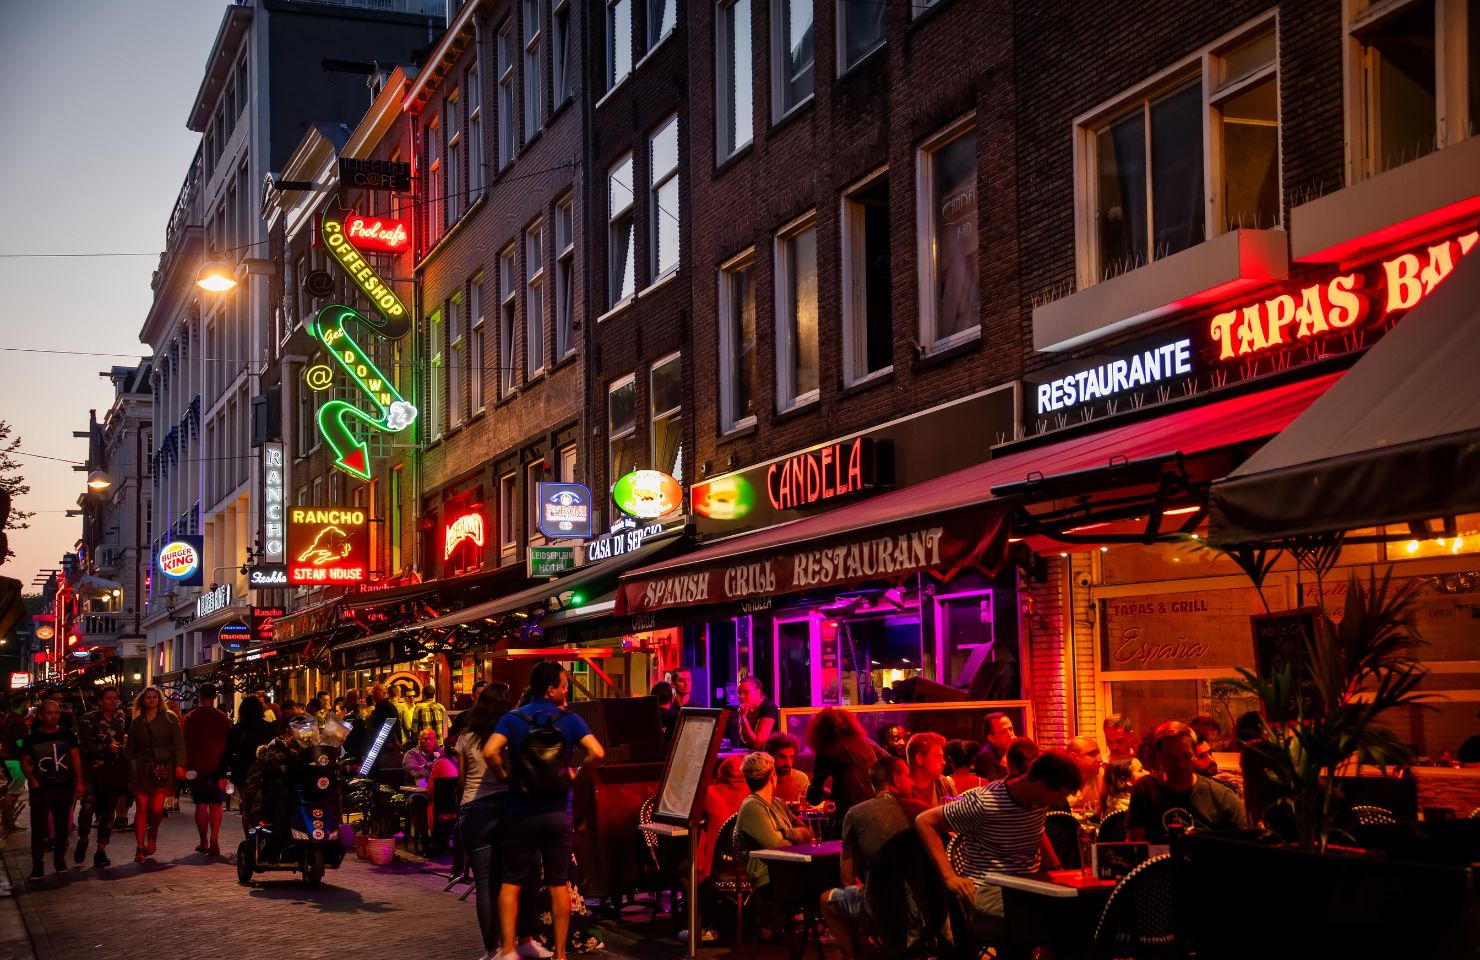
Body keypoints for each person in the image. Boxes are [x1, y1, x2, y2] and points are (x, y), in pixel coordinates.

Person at [484, 662, 605, 960]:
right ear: (551, 689)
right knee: (557, 883)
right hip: (557, 812)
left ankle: (510, 949)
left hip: (520, 811)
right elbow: (597, 752)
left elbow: (489, 752)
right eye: (564, 685)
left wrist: (503, 775)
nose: (567, 690)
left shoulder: (513, 719)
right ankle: (561, 953)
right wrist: (575, 774)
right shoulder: (570, 720)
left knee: (511, 882)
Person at [917, 751, 1083, 944]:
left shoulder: (1038, 800)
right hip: (992, 889)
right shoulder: (983, 803)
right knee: (1054, 919)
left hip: (1029, 884)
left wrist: (1055, 867)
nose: (1059, 801)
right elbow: (924, 821)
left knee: (1081, 909)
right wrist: (949, 877)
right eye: (1060, 794)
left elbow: (1035, 827)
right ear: (1040, 786)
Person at [820, 756, 927, 959]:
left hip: (881, 903)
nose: (912, 782)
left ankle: (857, 954)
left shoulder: (855, 814)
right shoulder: (923, 810)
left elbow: (846, 878)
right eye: (907, 776)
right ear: (896, 779)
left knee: (826, 900)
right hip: (926, 904)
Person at [454, 682, 529, 960]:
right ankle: (515, 941)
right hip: (505, 809)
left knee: (484, 883)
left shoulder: (466, 736)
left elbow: (462, 780)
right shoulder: (508, 735)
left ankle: (492, 949)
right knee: (508, 881)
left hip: (473, 810)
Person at [1128, 721, 1247, 843]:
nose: (1180, 764)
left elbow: (1246, 846)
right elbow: (1136, 845)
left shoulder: (1222, 797)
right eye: (1171, 758)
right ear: (1159, 758)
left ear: (1195, 755)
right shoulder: (1145, 789)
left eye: (1186, 756)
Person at [20, 700, 83, 880]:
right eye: (49, 713)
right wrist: (32, 780)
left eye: (56, 712)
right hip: (42, 787)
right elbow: (24, 762)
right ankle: (37, 866)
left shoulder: (67, 735)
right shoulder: (32, 738)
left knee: (62, 826)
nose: (54, 716)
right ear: (40, 715)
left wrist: (79, 781)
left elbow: (75, 759)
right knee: (39, 828)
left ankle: (60, 860)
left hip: (64, 785)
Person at [736, 751, 814, 889]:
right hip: (769, 880)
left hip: (788, 873)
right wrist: (796, 836)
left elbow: (808, 835)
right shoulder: (752, 806)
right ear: (773, 776)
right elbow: (778, 846)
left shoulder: (778, 803)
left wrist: (785, 833)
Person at [126, 686, 187, 862]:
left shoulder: (170, 718)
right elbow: (130, 746)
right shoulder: (137, 721)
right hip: (142, 765)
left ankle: (152, 836)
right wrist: (130, 766)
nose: (152, 700)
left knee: (156, 808)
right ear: (143, 701)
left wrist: (180, 765)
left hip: (163, 765)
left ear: (159, 699)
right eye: (148, 697)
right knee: (142, 807)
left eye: (154, 697)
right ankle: (139, 847)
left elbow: (179, 742)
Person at [76, 685, 129, 867]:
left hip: (111, 771)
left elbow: (121, 744)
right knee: (88, 805)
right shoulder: (88, 720)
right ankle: (83, 837)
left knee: (108, 812)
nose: (113, 701)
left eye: (115, 698)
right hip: (92, 769)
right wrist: (105, 748)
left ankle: (101, 850)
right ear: (100, 701)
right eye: (109, 698)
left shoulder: (120, 721)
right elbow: (84, 746)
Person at [806, 707, 885, 819]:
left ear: (819, 730)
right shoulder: (867, 742)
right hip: (877, 807)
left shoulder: (825, 751)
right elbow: (890, 762)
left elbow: (814, 798)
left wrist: (820, 793)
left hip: (849, 813)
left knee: (829, 834)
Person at [183, 682, 233, 856]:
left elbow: (186, 743)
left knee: (201, 804)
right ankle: (215, 839)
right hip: (218, 765)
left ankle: (203, 841)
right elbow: (228, 744)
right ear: (214, 697)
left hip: (197, 766)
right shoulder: (223, 718)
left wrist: (185, 766)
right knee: (216, 804)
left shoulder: (190, 718)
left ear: (200, 696)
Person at [224, 694, 277, 838]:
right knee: (266, 804)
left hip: (243, 772)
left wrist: (225, 771)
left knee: (248, 807)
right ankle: (265, 835)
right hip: (266, 771)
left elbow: (229, 752)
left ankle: (249, 838)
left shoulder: (237, 729)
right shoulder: (269, 728)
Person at [906, 732, 956, 807]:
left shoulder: (945, 785)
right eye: (938, 757)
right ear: (919, 758)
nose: (944, 762)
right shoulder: (900, 790)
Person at [732, 675, 779, 750]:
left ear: (758, 692)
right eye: (739, 693)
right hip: (750, 754)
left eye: (746, 692)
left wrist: (744, 719)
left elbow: (758, 744)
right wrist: (742, 716)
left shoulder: (768, 707)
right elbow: (744, 740)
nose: (741, 696)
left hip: (766, 756)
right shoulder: (746, 709)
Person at [765, 732, 811, 804]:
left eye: (791, 757)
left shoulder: (801, 779)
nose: (788, 763)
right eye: (782, 757)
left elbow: (808, 807)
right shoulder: (763, 780)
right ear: (771, 756)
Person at [1066, 736, 1104, 819]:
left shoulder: (1103, 776)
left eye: (1098, 753)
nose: (1100, 759)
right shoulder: (1057, 780)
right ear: (1073, 757)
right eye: (1092, 754)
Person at [973, 712, 1016, 781]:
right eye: (1003, 732)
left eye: (1010, 729)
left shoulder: (1018, 750)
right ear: (991, 738)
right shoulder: (983, 758)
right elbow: (995, 787)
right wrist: (1007, 753)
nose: (1010, 734)